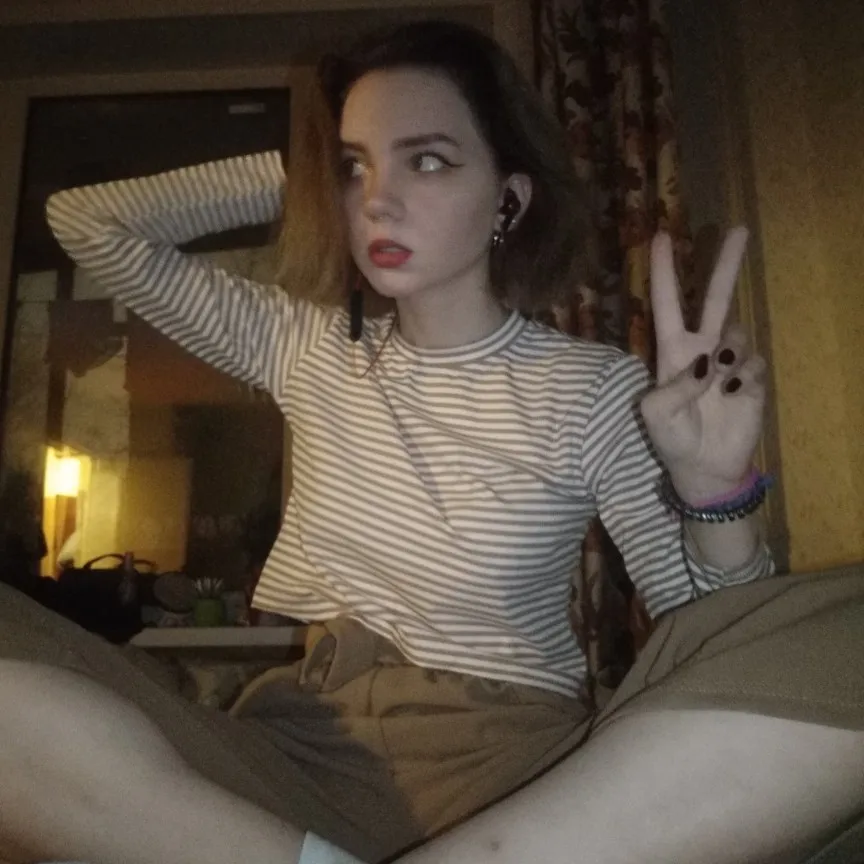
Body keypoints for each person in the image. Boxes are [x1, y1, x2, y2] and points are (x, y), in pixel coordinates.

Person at [0, 19, 861, 864]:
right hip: (296, 749)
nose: (377, 200)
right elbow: (88, 224)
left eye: (428, 159)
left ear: (508, 199)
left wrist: (713, 493)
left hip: (507, 766)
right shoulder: (303, 349)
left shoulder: (591, 389)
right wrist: (309, 176)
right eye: (356, 166)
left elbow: (717, 640)